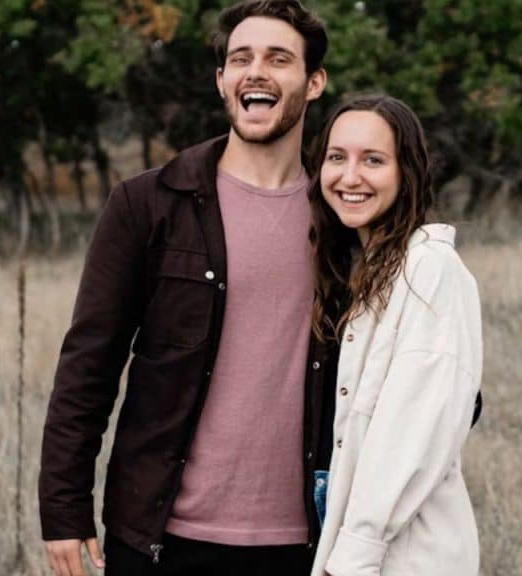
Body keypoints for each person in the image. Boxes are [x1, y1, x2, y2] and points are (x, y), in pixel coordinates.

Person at [38, 2, 336, 575]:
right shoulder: (149, 204)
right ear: (221, 79)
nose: (256, 72)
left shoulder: (343, 218)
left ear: (314, 82)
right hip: (162, 537)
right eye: (240, 59)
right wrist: (63, 509)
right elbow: (88, 365)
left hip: (305, 541)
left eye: (279, 59)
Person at [307, 95, 483, 576]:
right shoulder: (352, 270)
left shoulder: (430, 269)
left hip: (405, 553)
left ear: (407, 172)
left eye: (373, 160)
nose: (349, 177)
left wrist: (357, 551)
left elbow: (414, 430)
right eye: (337, 157)